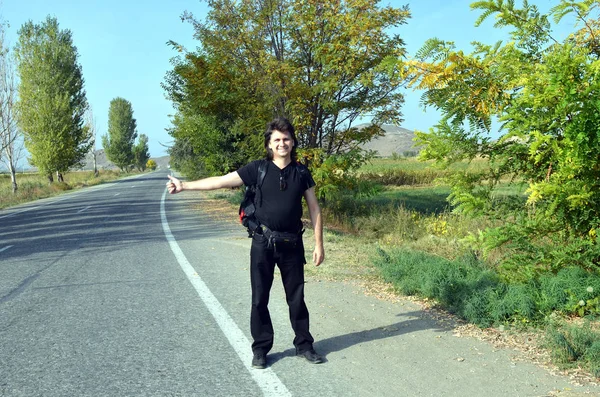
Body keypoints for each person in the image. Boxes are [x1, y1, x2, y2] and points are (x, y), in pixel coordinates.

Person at [166, 117, 325, 369]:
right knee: (259, 297)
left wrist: (319, 244)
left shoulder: (301, 173)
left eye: (286, 139)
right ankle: (261, 349)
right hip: (263, 243)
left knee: (296, 298)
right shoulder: (257, 169)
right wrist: (184, 185)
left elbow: (314, 209)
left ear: (293, 142)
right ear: (269, 144)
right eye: (277, 140)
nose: (282, 143)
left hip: (292, 243)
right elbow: (220, 180)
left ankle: (304, 345)